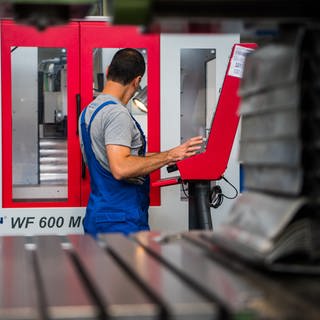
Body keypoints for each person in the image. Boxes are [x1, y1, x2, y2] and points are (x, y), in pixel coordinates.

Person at [79, 48, 203, 238]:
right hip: (120, 221)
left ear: (107, 70)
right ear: (137, 81)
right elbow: (121, 167)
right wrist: (170, 156)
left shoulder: (89, 111)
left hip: (99, 215)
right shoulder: (116, 113)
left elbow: (112, 158)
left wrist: (171, 154)